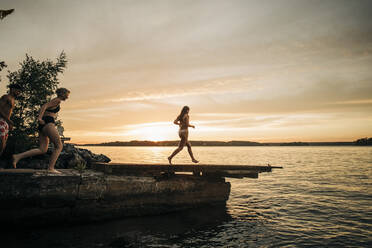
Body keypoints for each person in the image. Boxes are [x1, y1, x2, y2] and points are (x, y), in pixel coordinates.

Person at [12, 88, 70, 173]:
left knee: (42, 149)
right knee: (59, 146)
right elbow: (44, 106)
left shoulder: (55, 100)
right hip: (48, 123)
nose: (67, 97)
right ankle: (51, 168)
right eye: (67, 95)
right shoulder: (57, 100)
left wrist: (41, 119)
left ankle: (17, 156)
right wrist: (39, 118)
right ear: (62, 94)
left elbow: (46, 107)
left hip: (43, 125)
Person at [0, 84, 22, 156]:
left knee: (3, 145)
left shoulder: (13, 100)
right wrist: (8, 120)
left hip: (6, 122)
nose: (19, 93)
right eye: (18, 91)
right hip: (1, 121)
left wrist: (9, 123)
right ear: (13, 89)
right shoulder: (6, 97)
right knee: (1, 143)